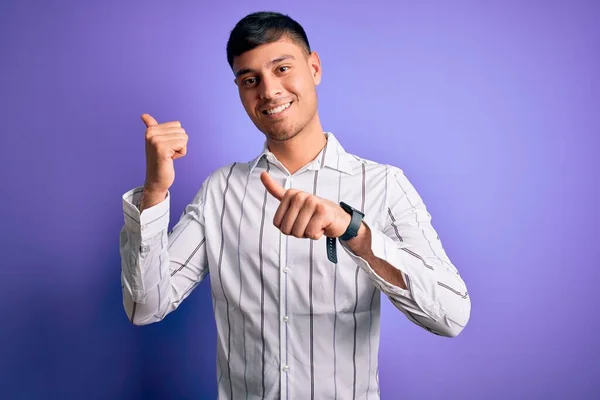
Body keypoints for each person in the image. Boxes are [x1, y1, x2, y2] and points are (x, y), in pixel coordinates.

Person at [119, 11, 470, 400]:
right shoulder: (220, 191)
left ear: (314, 67)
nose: (269, 91)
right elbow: (144, 306)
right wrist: (154, 191)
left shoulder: (384, 185)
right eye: (250, 80)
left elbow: (450, 315)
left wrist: (353, 231)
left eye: (282, 68)